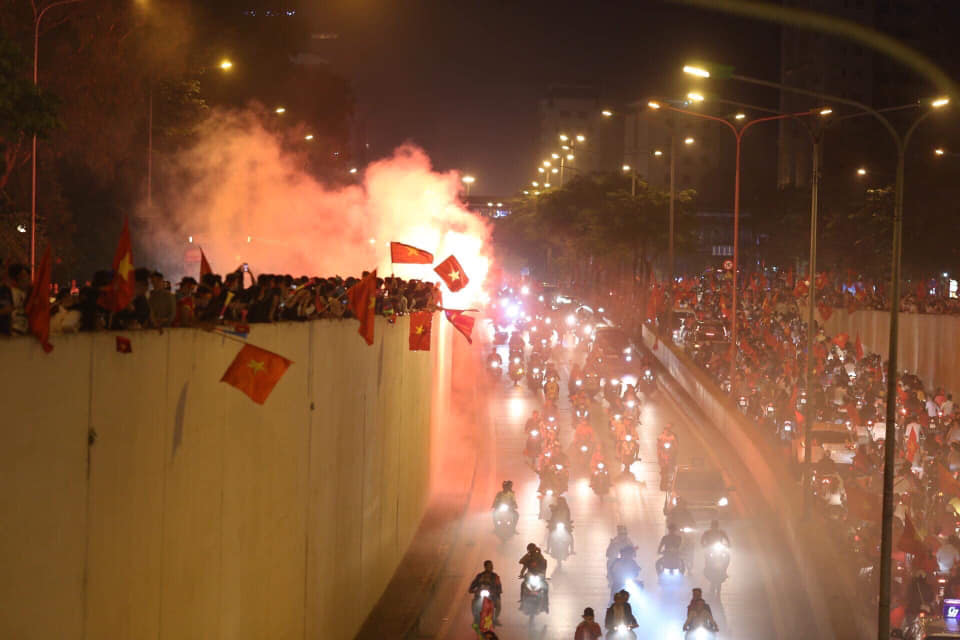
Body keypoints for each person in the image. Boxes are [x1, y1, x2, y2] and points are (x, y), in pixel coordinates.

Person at [469, 560, 503, 626]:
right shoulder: (479, 576)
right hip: (479, 596)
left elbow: (499, 586)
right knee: (473, 603)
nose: (490, 567)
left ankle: (495, 618)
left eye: (491, 566)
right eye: (488, 566)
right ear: (485, 567)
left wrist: (498, 591)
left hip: (492, 596)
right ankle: (475, 619)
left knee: (498, 604)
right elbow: (473, 585)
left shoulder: (495, 576)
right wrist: (472, 590)